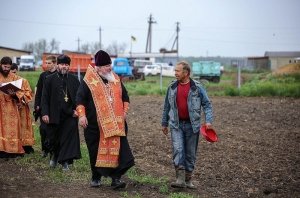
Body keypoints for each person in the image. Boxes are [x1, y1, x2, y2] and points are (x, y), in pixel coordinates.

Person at [76, 50, 134, 189]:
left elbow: (125, 97)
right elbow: (79, 99)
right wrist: (82, 115)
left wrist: (125, 112)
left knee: (117, 152)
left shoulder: (115, 79)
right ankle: (96, 178)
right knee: (95, 151)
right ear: (99, 67)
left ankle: (116, 179)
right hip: (94, 124)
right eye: (107, 65)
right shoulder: (88, 81)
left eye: (110, 64)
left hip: (115, 125)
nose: (110, 67)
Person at [161, 61, 213, 189]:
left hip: (192, 125)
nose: (175, 73)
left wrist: (208, 120)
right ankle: (180, 179)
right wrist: (164, 123)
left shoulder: (198, 87)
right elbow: (166, 106)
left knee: (190, 153)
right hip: (176, 124)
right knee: (178, 149)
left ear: (186, 73)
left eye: (178, 71)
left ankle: (188, 179)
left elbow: (207, 104)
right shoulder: (172, 87)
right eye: (175, 71)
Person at [41, 54, 81, 171]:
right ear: (58, 65)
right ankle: (54, 155)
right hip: (53, 115)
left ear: (69, 66)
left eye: (67, 65)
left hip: (69, 115)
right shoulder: (49, 79)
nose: (64, 67)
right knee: (54, 139)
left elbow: (79, 98)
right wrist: (45, 113)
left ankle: (65, 163)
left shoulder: (74, 80)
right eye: (62, 64)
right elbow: (44, 98)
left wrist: (78, 111)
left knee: (68, 139)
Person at [0, 57, 25, 159]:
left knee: (13, 129)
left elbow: (21, 92)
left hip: (11, 107)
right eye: (5, 66)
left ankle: (12, 150)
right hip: (0, 107)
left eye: (8, 67)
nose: (6, 69)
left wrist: (14, 94)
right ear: (1, 65)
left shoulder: (14, 78)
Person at [34, 55, 57, 158]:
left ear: (55, 63)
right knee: (43, 129)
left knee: (53, 130)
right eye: (46, 63)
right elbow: (38, 92)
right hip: (44, 107)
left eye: (49, 63)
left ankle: (53, 149)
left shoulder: (58, 75)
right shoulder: (43, 76)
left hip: (55, 108)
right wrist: (37, 105)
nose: (47, 65)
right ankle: (44, 149)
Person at [10, 63, 36, 154]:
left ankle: (26, 146)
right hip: (10, 110)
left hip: (22, 109)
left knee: (24, 127)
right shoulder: (4, 82)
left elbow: (29, 93)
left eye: (15, 72)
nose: (14, 75)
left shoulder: (23, 81)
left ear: (17, 70)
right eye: (11, 72)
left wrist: (19, 97)